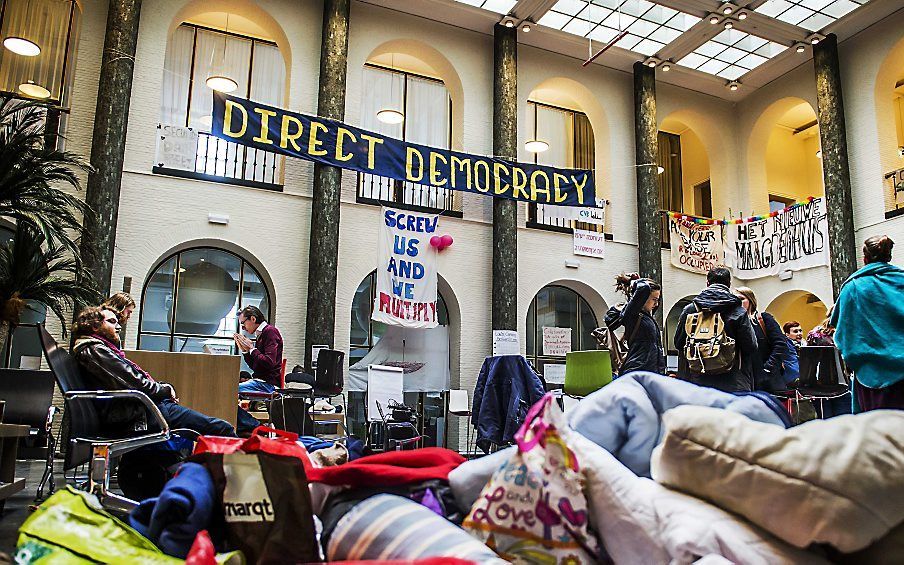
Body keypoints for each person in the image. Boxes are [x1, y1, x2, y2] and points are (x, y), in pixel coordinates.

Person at [71, 307, 236, 436]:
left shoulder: (96, 349)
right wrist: (166, 389)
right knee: (223, 429)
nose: (119, 326)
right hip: (139, 414)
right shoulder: (95, 350)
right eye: (112, 322)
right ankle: (246, 476)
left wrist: (162, 387)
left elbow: (132, 382)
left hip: (137, 409)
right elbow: (139, 386)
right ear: (94, 326)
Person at [832, 235, 904, 412]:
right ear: (889, 256)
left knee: (877, 433)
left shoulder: (853, 287)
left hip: (871, 378)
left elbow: (843, 335)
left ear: (864, 258)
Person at [674, 267, 758, 392]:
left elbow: (679, 343)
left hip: (698, 382)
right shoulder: (738, 311)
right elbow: (751, 346)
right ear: (729, 284)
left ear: (707, 283)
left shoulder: (690, 309)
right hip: (734, 382)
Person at [612, 273, 665, 376]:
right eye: (654, 299)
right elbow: (644, 288)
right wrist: (634, 281)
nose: (656, 304)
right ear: (643, 298)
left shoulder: (646, 317)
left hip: (650, 373)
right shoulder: (631, 314)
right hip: (638, 372)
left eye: (658, 300)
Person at [733, 286, 785, 392]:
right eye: (735, 299)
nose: (738, 302)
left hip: (767, 380)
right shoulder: (733, 323)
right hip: (744, 381)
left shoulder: (763, 319)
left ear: (750, 300)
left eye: (742, 299)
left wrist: (768, 368)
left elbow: (780, 344)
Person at [234, 305, 284, 394]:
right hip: (261, 382)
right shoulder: (261, 334)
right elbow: (256, 367)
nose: (243, 328)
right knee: (229, 388)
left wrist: (252, 349)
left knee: (229, 389)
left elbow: (269, 362)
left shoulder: (270, 331)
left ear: (253, 319)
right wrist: (246, 351)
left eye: (243, 323)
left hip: (267, 384)